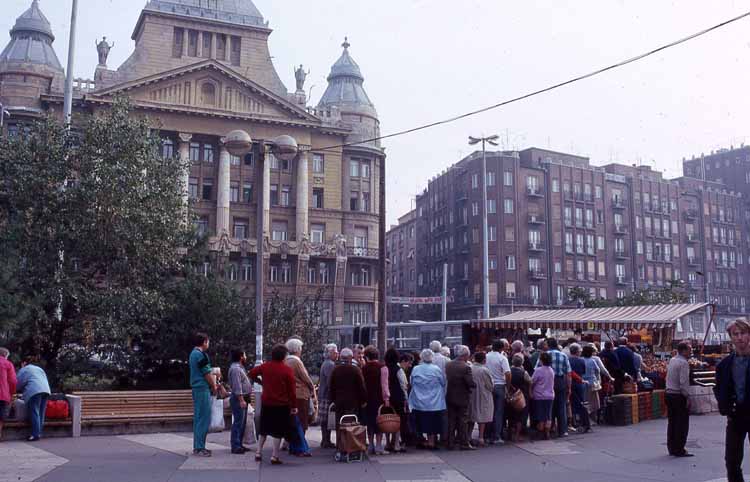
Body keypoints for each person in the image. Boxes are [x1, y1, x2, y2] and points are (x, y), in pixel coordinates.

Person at [250, 344, 297, 465]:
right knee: (278, 431)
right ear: (283, 356)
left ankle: (258, 452)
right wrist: (294, 406)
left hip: (267, 402)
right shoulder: (287, 370)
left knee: (264, 429)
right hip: (281, 405)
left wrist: (261, 382)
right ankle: (274, 456)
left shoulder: (265, 366)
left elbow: (252, 373)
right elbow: (292, 391)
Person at [715, 319, 750, 481]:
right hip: (736, 416)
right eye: (735, 334)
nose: (739, 337)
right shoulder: (724, 364)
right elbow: (719, 387)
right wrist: (726, 408)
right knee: (732, 460)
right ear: (731, 337)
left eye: (743, 333)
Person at [408, 349, 446, 450]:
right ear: (432, 358)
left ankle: (420, 440)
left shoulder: (416, 369)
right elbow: (443, 383)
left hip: (418, 401)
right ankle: (431, 442)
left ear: (421, 357)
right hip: (434, 402)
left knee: (419, 421)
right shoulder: (436, 369)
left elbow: (411, 383)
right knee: (432, 423)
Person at [188, 333, 217, 456]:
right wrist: (214, 386)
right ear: (204, 342)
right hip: (202, 388)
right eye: (208, 342)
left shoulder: (193, 354)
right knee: (204, 418)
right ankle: (200, 448)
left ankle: (198, 446)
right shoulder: (201, 355)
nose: (208, 344)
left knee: (199, 417)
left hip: (196, 388)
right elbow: (206, 373)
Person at [328, 348, 367, 437]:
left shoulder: (335, 370)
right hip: (353, 402)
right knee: (351, 424)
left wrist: (333, 400)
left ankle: (340, 445)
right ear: (350, 357)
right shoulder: (355, 370)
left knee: (339, 423)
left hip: (339, 401)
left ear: (341, 357)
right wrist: (363, 400)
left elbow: (331, 386)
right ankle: (350, 444)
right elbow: (361, 386)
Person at [664, 341, 693, 457]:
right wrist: (688, 397)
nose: (691, 351)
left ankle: (671, 447)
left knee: (672, 422)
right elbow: (683, 383)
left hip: (669, 393)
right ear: (684, 350)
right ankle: (679, 448)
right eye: (690, 349)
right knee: (681, 423)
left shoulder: (673, 360)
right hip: (678, 395)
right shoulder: (683, 363)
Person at [445, 345, 476, 450]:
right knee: (463, 420)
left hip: (450, 395)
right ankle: (464, 443)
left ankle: (450, 443)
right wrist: (474, 385)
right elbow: (470, 383)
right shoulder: (466, 367)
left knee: (451, 420)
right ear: (465, 355)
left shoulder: (448, 364)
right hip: (462, 397)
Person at [539, 338, 571, 437]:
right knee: (561, 406)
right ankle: (563, 430)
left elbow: (538, 368)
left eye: (545, 344)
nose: (544, 346)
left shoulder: (544, 355)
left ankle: (550, 427)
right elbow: (568, 373)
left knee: (549, 406)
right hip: (560, 381)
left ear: (548, 344)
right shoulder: (563, 355)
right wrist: (568, 387)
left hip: (547, 381)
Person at [362, 346, 390, 455]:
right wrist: (386, 398)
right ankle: (379, 446)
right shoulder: (383, 367)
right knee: (379, 422)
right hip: (379, 399)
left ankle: (371, 446)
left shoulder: (363, 368)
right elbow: (384, 385)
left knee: (370, 423)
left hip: (367, 399)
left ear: (367, 356)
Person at [16, 356, 51, 442]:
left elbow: (18, 383)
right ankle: (38, 433)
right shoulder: (39, 368)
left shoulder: (24, 369)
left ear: (23, 363)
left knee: (35, 412)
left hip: (34, 391)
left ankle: (35, 435)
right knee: (41, 413)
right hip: (46, 390)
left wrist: (17, 391)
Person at [284, 339, 315, 435]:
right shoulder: (297, 362)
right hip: (301, 394)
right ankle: (300, 444)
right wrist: (312, 387)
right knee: (302, 420)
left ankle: (289, 442)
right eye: (300, 348)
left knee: (291, 420)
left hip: (289, 393)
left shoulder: (286, 360)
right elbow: (305, 377)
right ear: (297, 349)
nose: (301, 350)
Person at [486, 340, 511, 444]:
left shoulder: (486, 356)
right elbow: (508, 373)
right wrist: (508, 387)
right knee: (498, 412)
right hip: (500, 385)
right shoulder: (502, 358)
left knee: (488, 410)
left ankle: (486, 435)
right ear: (501, 348)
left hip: (488, 386)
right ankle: (497, 436)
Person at [228, 348, 252, 454]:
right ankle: (235, 446)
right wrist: (241, 400)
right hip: (239, 399)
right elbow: (237, 386)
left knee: (242, 423)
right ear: (241, 357)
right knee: (238, 422)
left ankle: (239, 444)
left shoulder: (239, 368)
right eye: (245, 355)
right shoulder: (235, 369)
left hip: (243, 398)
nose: (246, 357)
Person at [384, 347, 407, 453]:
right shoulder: (399, 370)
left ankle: (388, 442)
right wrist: (406, 398)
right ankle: (396, 443)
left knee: (387, 420)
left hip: (386, 398)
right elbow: (403, 385)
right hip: (398, 397)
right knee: (397, 421)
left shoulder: (384, 368)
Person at [469, 352, 493, 447]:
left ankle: (469, 436)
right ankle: (481, 438)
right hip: (483, 394)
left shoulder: (470, 368)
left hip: (472, 394)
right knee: (482, 416)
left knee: (471, 415)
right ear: (484, 360)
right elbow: (490, 385)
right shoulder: (484, 370)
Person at [581, 344, 611, 422]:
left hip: (582, 382)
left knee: (585, 400)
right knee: (594, 401)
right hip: (592, 383)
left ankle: (585, 419)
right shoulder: (593, 360)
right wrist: (599, 380)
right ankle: (593, 419)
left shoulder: (581, 360)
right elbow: (598, 370)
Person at [531, 352, 555, 440]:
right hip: (550, 395)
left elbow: (532, 381)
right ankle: (547, 432)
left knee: (541, 416)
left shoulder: (538, 370)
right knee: (548, 415)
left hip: (539, 395)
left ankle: (540, 432)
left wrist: (531, 391)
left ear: (541, 360)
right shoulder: (551, 370)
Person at [318, 344, 338, 449]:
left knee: (325, 419)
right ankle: (326, 440)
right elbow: (331, 381)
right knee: (326, 419)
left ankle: (325, 440)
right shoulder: (330, 365)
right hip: (327, 395)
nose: (337, 354)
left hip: (323, 394)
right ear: (330, 353)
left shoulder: (326, 363)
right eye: (335, 352)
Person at [568, 344, 591, 433]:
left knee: (570, 404)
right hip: (579, 383)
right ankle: (585, 423)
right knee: (581, 404)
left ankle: (573, 422)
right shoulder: (581, 361)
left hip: (570, 384)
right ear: (577, 351)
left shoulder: (568, 360)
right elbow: (583, 371)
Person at [508, 353, 532, 442]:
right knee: (520, 416)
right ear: (522, 363)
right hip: (521, 396)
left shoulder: (509, 371)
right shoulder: (524, 372)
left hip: (510, 395)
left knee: (510, 415)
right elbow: (530, 381)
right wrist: (530, 392)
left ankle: (510, 434)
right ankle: (517, 435)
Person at [0, 348, 17, 441]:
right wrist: (11, 393)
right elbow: (13, 381)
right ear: (5, 355)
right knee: (1, 415)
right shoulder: (8, 364)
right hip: (2, 394)